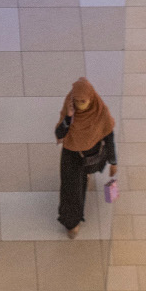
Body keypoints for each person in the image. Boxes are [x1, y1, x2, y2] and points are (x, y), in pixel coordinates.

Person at [55, 77, 117, 239]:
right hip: (71, 154)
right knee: (70, 189)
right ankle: (72, 222)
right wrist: (69, 117)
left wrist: (113, 162)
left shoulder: (100, 110)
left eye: (83, 100)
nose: (80, 103)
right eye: (76, 100)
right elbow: (59, 134)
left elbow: (109, 136)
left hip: (92, 154)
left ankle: (86, 176)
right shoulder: (70, 107)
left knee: (81, 181)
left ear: (90, 98)